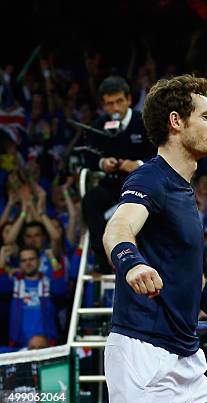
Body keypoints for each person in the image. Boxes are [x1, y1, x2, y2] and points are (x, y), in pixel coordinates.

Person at [102, 74, 207, 403]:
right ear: (176, 122)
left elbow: (186, 272)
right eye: (206, 116)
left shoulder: (183, 190)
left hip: (188, 360)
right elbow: (118, 227)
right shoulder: (150, 178)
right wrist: (132, 262)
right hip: (143, 356)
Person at [82, 75, 156, 273]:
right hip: (113, 183)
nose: (114, 108)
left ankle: (143, 260)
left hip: (141, 184)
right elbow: (87, 156)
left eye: (119, 102)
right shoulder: (99, 125)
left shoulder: (144, 122)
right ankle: (103, 260)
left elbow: (160, 153)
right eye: (109, 104)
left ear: (129, 100)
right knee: (91, 200)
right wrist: (102, 163)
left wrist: (138, 164)